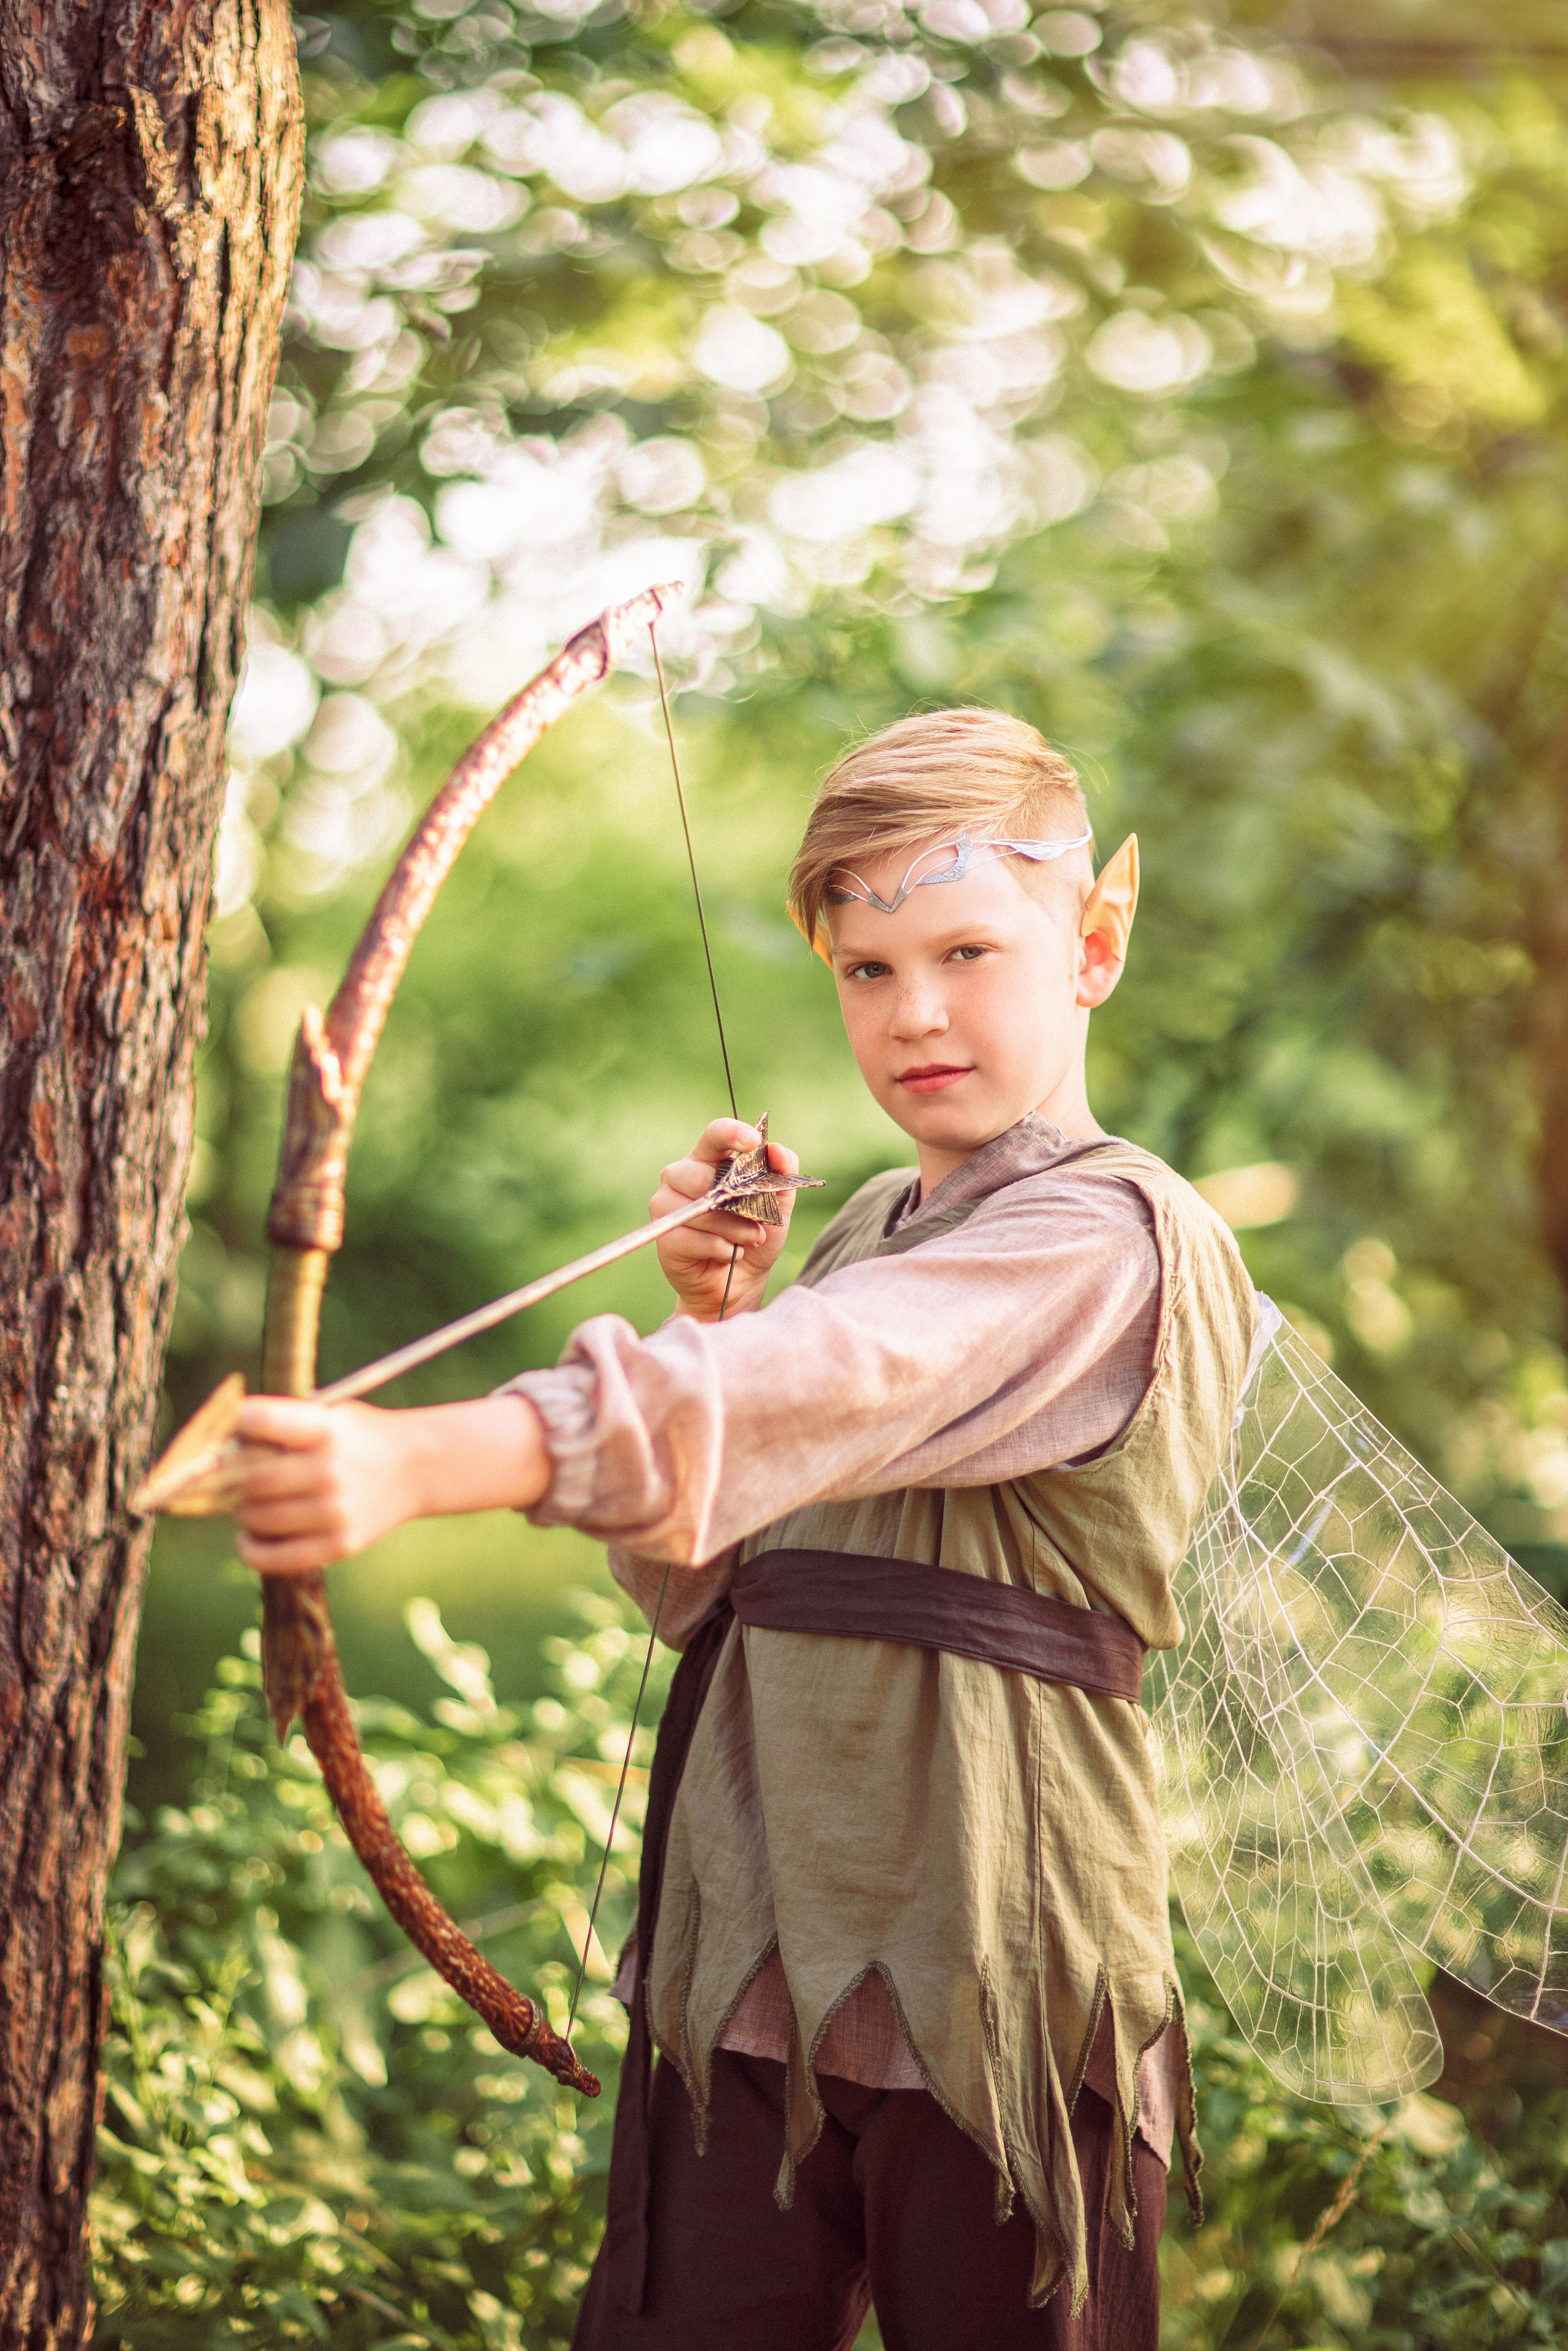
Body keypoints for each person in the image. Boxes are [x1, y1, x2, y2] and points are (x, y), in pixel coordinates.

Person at [226, 708, 1257, 2351]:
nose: (916, 1012)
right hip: (756, 1975)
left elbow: (839, 1374)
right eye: (868, 969)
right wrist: (717, 1308)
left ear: (1094, 946)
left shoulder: (1108, 1233)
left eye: (969, 951)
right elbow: (707, 1584)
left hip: (995, 1980)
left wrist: (430, 1458)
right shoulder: (870, 1234)